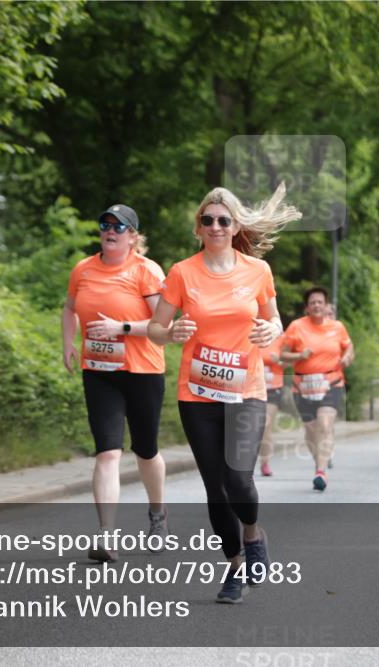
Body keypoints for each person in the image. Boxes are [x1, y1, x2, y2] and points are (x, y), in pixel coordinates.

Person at [148, 183, 299, 603]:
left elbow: (275, 321)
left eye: (223, 220)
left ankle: (253, 534)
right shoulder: (182, 272)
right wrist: (171, 331)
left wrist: (272, 329)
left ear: (235, 227)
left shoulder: (257, 271)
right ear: (198, 227)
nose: (215, 226)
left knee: (238, 480)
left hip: (246, 389)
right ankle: (234, 566)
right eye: (207, 220)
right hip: (197, 394)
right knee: (215, 487)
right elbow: (156, 329)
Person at [62, 204, 168, 562]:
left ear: (133, 237)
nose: (110, 230)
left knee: (145, 451)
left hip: (143, 372)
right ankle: (106, 535)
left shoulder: (146, 271)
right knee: (107, 451)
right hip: (100, 372)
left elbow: (163, 326)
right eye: (105, 224)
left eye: (119, 226)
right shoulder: (83, 269)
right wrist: (68, 342)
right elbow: (69, 308)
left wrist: (121, 328)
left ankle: (157, 514)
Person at [281, 287, 354, 491]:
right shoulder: (296, 327)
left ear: (326, 305)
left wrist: (348, 356)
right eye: (312, 302)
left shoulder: (337, 327)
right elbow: (283, 355)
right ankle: (319, 464)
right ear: (307, 307)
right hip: (302, 386)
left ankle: (321, 472)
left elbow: (348, 346)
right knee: (311, 430)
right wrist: (299, 356)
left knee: (325, 424)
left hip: (331, 382)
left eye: (320, 302)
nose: (316, 305)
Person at [258, 332, 287, 477]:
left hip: (272, 388)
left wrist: (280, 362)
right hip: (249, 387)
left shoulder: (279, 335)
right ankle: (245, 465)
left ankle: (264, 462)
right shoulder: (246, 330)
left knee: (265, 424)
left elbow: (291, 361)